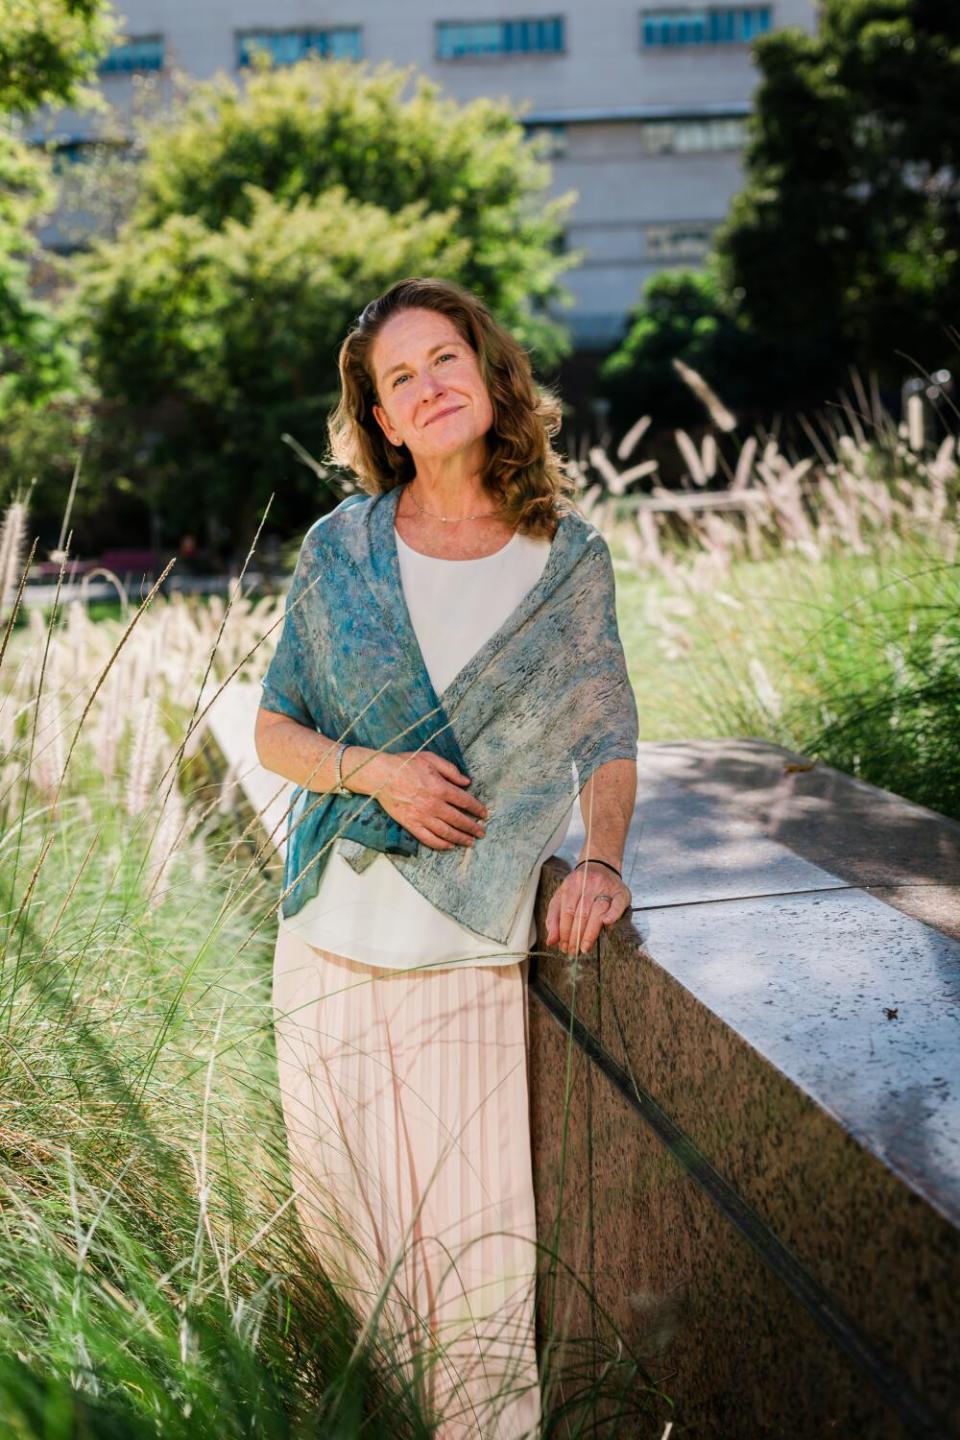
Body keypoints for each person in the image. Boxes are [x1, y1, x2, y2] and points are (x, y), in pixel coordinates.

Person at [255, 276, 638, 1439]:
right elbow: (277, 729)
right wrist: (378, 771)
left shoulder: (565, 561)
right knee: (356, 1283)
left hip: (466, 963)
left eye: (443, 360)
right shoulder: (343, 551)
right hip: (326, 953)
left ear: (489, 371)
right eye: (397, 380)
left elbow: (607, 731)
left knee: (475, 1301)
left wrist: (601, 862)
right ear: (377, 418)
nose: (427, 388)